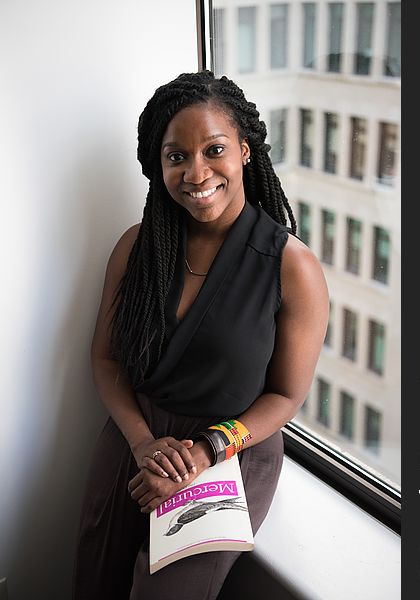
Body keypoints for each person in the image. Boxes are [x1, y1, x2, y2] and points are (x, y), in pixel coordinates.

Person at [73, 70, 329, 600]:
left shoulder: (292, 267)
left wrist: (205, 452)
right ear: (157, 165)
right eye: (176, 157)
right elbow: (106, 361)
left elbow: (286, 395)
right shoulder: (138, 246)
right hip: (136, 438)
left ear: (245, 150)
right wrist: (144, 444)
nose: (196, 172)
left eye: (214, 150)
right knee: (96, 580)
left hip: (228, 451)